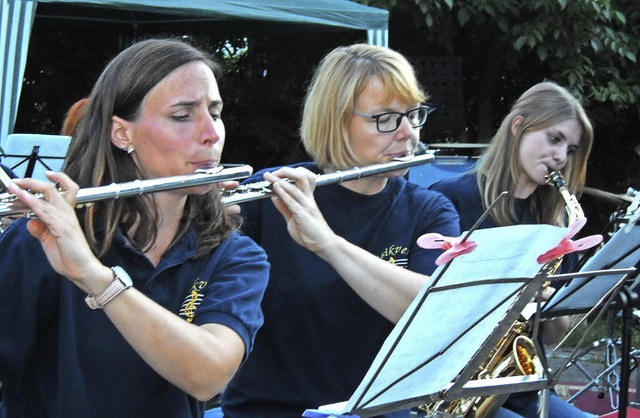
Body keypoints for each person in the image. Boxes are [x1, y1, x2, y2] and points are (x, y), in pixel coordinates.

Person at [0, 38, 270, 418]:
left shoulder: (235, 256)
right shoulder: (39, 241)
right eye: (183, 115)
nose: (212, 133)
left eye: (216, 112)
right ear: (122, 134)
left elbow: (209, 376)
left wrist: (94, 277)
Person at [220, 44, 460, 418]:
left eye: (413, 115)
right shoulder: (273, 196)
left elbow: (434, 313)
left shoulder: (429, 210)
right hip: (273, 410)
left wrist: (328, 245)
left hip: (381, 410)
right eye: (385, 118)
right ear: (335, 121)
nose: (407, 133)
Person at [429, 81, 595, 418]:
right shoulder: (448, 198)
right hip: (452, 388)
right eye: (554, 138)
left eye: (571, 149)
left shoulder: (558, 222)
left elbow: (552, 335)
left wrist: (547, 303)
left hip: (522, 388)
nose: (561, 157)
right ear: (518, 127)